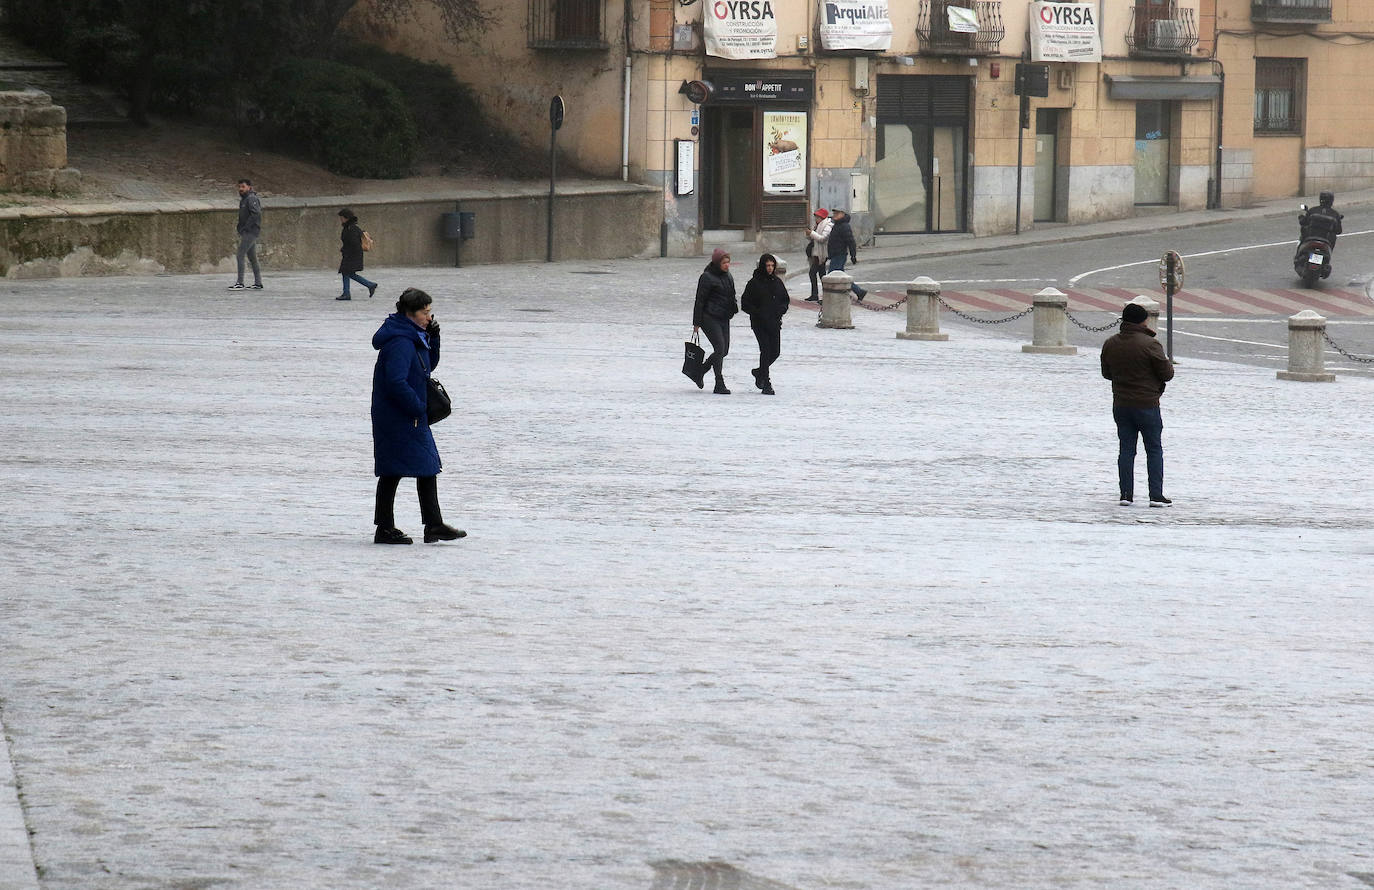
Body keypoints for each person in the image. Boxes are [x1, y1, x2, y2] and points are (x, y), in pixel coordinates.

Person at [370, 287, 465, 544]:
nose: (429, 316)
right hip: (399, 416)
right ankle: (387, 528)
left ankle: (431, 524)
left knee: (424, 467)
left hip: (408, 414)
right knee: (397, 470)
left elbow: (426, 366)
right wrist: (416, 407)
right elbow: (396, 381)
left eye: (429, 311)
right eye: (425, 312)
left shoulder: (413, 334)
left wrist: (434, 339)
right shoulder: (400, 341)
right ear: (410, 313)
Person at [1100, 302, 1175, 507]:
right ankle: (1156, 495)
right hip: (1147, 404)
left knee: (1126, 449)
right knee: (1153, 449)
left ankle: (1126, 494)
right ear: (1143, 321)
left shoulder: (1110, 343)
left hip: (1121, 405)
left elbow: (1106, 373)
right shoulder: (1151, 344)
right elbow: (1167, 374)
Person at [740, 253, 789, 395]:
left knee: (775, 352)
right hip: (759, 323)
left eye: (772, 265)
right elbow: (745, 303)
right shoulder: (754, 283)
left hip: (774, 322)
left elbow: (784, 299)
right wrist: (757, 313)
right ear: (762, 266)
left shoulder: (777, 282)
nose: (770, 268)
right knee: (766, 350)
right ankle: (766, 382)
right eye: (767, 265)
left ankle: (759, 372)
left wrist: (781, 310)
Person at [691, 248, 738, 394]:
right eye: (724, 263)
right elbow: (700, 300)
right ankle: (719, 383)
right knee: (719, 347)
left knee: (724, 350)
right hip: (709, 317)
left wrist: (733, 307)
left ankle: (701, 370)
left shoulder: (728, 276)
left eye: (728, 262)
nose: (727, 265)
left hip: (724, 317)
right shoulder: (706, 277)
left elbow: (732, 294)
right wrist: (697, 322)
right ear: (717, 263)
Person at [336, 208, 378, 301]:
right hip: (352, 254)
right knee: (348, 273)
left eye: (342, 218)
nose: (341, 220)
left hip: (351, 255)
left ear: (346, 218)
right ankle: (369, 285)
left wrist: (345, 250)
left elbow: (353, 243)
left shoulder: (351, 228)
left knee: (346, 272)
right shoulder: (351, 227)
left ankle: (347, 293)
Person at [826, 208, 867, 302]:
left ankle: (834, 297)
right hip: (835, 254)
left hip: (840, 255)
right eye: (834, 213)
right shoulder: (837, 225)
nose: (835, 215)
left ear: (843, 214)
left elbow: (851, 242)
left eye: (837, 213)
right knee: (840, 276)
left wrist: (853, 255)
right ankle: (859, 292)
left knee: (833, 276)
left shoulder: (844, 226)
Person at [228, 179, 263, 290]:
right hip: (247, 231)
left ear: (249, 187)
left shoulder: (251, 198)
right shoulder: (244, 200)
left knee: (240, 255)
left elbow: (256, 214)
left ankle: (240, 282)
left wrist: (246, 227)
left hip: (250, 232)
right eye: (239, 187)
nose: (240, 189)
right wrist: (240, 227)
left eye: (243, 187)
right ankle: (258, 283)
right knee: (252, 257)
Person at [804, 208, 831, 302]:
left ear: (822, 217)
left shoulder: (827, 226)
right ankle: (819, 295)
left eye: (818, 217)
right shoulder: (817, 225)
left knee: (814, 273)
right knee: (821, 274)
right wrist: (809, 234)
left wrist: (811, 233)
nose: (816, 219)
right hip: (816, 253)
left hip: (821, 253)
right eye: (816, 217)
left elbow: (822, 239)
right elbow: (812, 238)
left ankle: (818, 295)